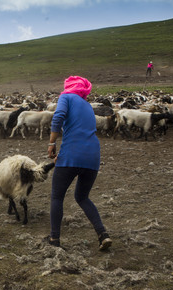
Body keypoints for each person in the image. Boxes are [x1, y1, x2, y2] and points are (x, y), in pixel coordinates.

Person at [43, 76, 112, 251]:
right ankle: (103, 234)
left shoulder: (66, 97)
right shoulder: (87, 105)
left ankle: (54, 239)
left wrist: (52, 143)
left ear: (69, 87)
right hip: (93, 156)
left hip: (72, 153)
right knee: (82, 197)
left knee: (57, 196)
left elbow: (58, 117)